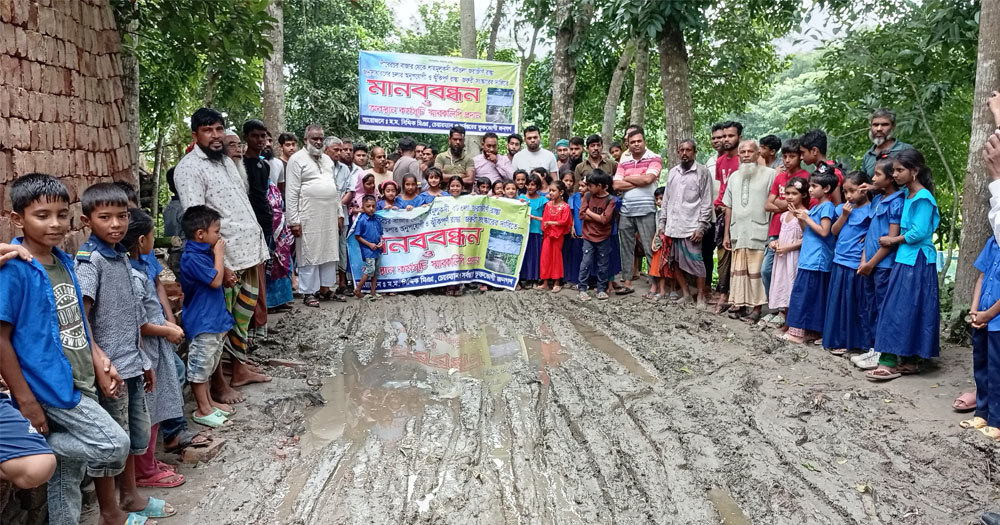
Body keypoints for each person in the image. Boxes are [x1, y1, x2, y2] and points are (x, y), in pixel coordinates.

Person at [0, 175, 134, 525]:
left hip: (78, 376)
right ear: (18, 219)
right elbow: (0, 337)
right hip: (49, 387)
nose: (55, 223)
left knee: (67, 483)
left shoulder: (64, 261)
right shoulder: (15, 270)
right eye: (42, 215)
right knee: (114, 444)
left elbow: (76, 320)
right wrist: (26, 400)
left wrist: (99, 358)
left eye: (62, 214)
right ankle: (49, 450)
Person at [76, 183, 177, 521]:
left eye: (122, 216)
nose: (116, 224)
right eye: (105, 217)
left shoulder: (119, 256)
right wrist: (100, 362)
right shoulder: (90, 262)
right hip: (111, 370)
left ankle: (131, 496)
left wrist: (144, 359)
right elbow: (81, 317)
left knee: (134, 435)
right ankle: (109, 511)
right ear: (87, 220)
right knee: (110, 444)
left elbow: (132, 316)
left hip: (132, 363)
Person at [174, 108, 271, 405]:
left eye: (219, 129)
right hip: (224, 261)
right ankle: (218, 385)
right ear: (195, 135)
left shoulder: (227, 162)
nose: (215, 136)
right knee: (221, 323)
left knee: (241, 318)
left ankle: (239, 369)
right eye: (208, 130)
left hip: (248, 252)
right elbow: (196, 223)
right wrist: (221, 266)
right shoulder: (189, 169)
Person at [123, 209, 187, 489]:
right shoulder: (132, 277)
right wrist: (168, 329)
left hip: (155, 346)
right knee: (148, 410)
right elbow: (139, 322)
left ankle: (148, 462)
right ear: (141, 241)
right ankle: (144, 470)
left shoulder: (137, 270)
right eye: (151, 236)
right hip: (146, 348)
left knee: (157, 405)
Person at [867, 149, 940, 382]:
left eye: (900, 170)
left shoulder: (923, 198)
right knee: (900, 308)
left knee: (903, 308)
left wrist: (893, 240)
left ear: (914, 171)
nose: (895, 174)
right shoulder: (908, 195)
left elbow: (919, 232)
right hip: (904, 258)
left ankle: (899, 361)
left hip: (917, 259)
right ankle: (902, 359)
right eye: (895, 170)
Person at [179, 205, 235, 429]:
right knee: (200, 365)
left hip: (214, 319)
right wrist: (220, 255)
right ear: (200, 234)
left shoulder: (204, 253)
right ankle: (203, 409)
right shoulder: (192, 257)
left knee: (210, 362)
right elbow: (214, 280)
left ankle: (210, 402)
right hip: (203, 320)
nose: (219, 237)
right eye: (217, 232)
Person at [853, 156, 903, 371]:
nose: (873, 178)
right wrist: (865, 260)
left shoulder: (897, 202)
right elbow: (871, 234)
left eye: (878, 175)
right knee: (870, 307)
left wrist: (871, 263)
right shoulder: (877, 200)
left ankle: (884, 352)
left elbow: (889, 241)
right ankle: (873, 347)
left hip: (883, 265)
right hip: (870, 264)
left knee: (883, 308)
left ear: (891, 178)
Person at [287, 124, 346, 307]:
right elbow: (291, 192)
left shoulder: (327, 160)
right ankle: (308, 292)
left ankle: (325, 289)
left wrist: (339, 213)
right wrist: (294, 221)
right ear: (306, 140)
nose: (318, 142)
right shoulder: (296, 160)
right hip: (308, 215)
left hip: (328, 214)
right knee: (309, 252)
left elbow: (334, 188)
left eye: (321, 138)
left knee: (329, 251)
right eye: (314, 138)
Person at [722, 140, 777, 322]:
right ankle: (741, 304)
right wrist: (726, 234)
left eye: (750, 151)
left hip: (759, 230)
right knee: (739, 273)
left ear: (757, 154)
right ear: (738, 155)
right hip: (738, 231)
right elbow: (728, 207)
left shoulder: (770, 174)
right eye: (742, 152)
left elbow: (774, 202)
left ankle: (757, 309)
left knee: (756, 272)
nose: (746, 155)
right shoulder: (734, 177)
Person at [783, 170, 838, 344]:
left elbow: (824, 231)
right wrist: (801, 218)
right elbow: (807, 230)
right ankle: (810, 332)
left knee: (806, 294)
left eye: (815, 186)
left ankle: (798, 333)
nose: (811, 189)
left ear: (827, 188)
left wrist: (806, 217)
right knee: (809, 295)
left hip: (818, 259)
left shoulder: (828, 206)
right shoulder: (816, 207)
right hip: (809, 257)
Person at [823, 171, 873, 356]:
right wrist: (843, 215)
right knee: (839, 302)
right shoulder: (842, 209)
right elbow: (834, 231)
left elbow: (873, 234)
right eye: (845, 192)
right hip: (840, 259)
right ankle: (839, 339)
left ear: (864, 189)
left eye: (852, 191)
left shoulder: (871, 210)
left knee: (855, 304)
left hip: (856, 262)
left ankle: (857, 342)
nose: (848, 196)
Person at [661, 139, 714, 307]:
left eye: (688, 150)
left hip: (692, 226)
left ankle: (700, 297)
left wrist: (701, 226)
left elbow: (706, 201)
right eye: (682, 150)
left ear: (694, 152)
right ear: (677, 152)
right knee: (674, 262)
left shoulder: (702, 172)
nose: (685, 153)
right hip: (673, 226)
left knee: (697, 263)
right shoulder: (672, 172)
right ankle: (686, 293)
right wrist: (662, 223)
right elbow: (666, 200)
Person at [762, 138, 810, 312]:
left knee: (791, 274)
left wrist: (780, 202)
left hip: (796, 234)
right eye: (785, 157)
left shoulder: (806, 177)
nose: (787, 160)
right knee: (768, 271)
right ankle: (776, 308)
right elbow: (767, 204)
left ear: (800, 157)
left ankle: (789, 313)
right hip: (776, 230)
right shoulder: (780, 177)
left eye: (792, 156)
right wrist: (787, 205)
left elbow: (805, 205)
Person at [614, 126, 661, 294]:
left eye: (639, 141)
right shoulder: (623, 161)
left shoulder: (654, 158)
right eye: (632, 142)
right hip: (626, 211)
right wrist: (639, 180)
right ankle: (627, 282)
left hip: (647, 209)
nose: (636, 144)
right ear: (628, 144)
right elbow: (616, 184)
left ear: (644, 142)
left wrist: (627, 178)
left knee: (650, 248)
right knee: (626, 248)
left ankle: (654, 284)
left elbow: (649, 178)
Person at [241, 120, 274, 341]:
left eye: (263, 136)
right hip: (248, 223)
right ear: (246, 138)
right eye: (255, 136)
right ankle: (250, 324)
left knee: (262, 273)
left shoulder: (265, 165)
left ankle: (260, 322)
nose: (260, 140)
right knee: (251, 274)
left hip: (264, 220)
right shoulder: (239, 166)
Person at [767, 177, 806, 328]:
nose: (789, 197)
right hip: (782, 256)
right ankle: (786, 317)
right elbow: (782, 235)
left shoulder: (805, 213)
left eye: (794, 193)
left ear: (803, 195)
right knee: (783, 285)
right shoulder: (784, 215)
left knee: (792, 285)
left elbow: (806, 238)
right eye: (787, 193)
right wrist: (774, 243)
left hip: (794, 256)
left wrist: (789, 248)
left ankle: (792, 323)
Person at [713, 121, 742, 313]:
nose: (726, 139)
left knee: (739, 256)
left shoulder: (744, 159)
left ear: (739, 137)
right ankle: (723, 295)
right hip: (722, 211)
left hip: (739, 212)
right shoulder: (720, 161)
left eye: (730, 136)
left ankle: (737, 297)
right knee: (722, 254)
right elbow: (721, 187)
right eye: (724, 136)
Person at [577, 170, 618, 301]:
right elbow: (581, 214)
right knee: (586, 262)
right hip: (588, 236)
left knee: (603, 263)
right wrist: (598, 217)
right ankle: (582, 288)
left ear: (599, 186)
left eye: (590, 185)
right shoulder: (587, 196)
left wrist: (590, 212)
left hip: (604, 237)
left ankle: (601, 289)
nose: (588, 188)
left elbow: (605, 220)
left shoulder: (610, 200)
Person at [539, 180, 572, 292]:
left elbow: (565, 221)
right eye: (550, 191)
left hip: (558, 236)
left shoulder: (565, 207)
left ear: (561, 192)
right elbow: (545, 219)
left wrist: (550, 223)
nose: (551, 193)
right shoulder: (548, 204)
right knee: (545, 257)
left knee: (556, 257)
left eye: (553, 190)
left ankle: (556, 282)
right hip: (548, 234)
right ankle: (545, 282)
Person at [860, 108, 912, 177]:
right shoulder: (868, 155)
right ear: (870, 127)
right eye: (875, 125)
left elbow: (916, 181)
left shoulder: (906, 149)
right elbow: (864, 182)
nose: (879, 129)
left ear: (893, 127)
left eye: (884, 125)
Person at [799, 129, 844, 205]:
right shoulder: (820, 170)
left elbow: (837, 204)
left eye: (803, 153)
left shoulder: (832, 172)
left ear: (814, 151)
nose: (801, 157)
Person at [353, 195, 384, 301]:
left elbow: (380, 234)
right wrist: (369, 244)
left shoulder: (376, 219)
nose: (371, 209)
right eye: (368, 206)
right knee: (370, 269)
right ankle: (358, 289)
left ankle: (373, 292)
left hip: (377, 250)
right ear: (363, 207)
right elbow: (357, 236)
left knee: (375, 271)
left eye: (373, 206)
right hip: (368, 251)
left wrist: (381, 242)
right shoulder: (362, 220)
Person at [519, 173, 548, 288]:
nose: (530, 187)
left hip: (537, 231)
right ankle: (526, 278)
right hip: (524, 231)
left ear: (538, 186)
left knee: (536, 256)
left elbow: (546, 216)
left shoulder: (543, 200)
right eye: (528, 184)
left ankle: (535, 278)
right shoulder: (521, 198)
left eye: (533, 185)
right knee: (526, 255)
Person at [648, 187, 670, 300]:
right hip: (659, 243)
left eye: (661, 198)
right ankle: (660, 290)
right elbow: (657, 229)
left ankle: (667, 290)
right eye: (657, 199)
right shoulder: (657, 213)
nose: (658, 202)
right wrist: (654, 241)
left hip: (668, 243)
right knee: (659, 268)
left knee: (668, 267)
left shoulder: (671, 212)